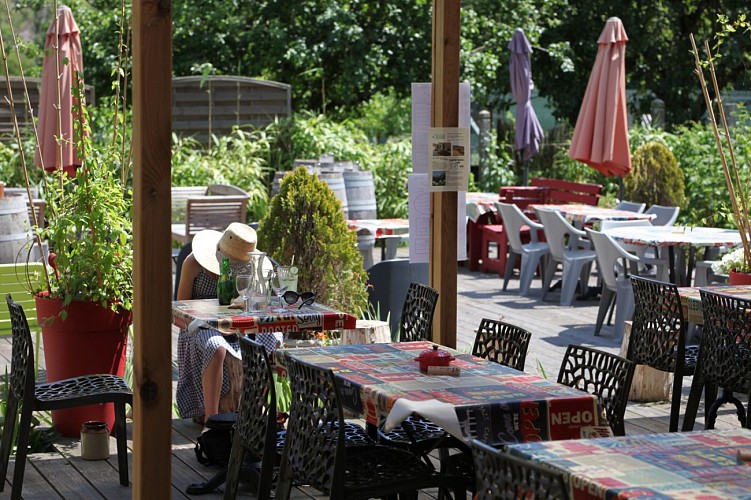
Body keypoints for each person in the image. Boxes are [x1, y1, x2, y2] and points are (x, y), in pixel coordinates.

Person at [175, 222, 258, 425]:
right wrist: (204, 324)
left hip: (235, 327)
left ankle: (253, 413)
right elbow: (178, 312)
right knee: (216, 346)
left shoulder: (247, 273)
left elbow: (253, 308)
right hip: (196, 327)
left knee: (270, 337)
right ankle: (212, 420)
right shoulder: (193, 264)